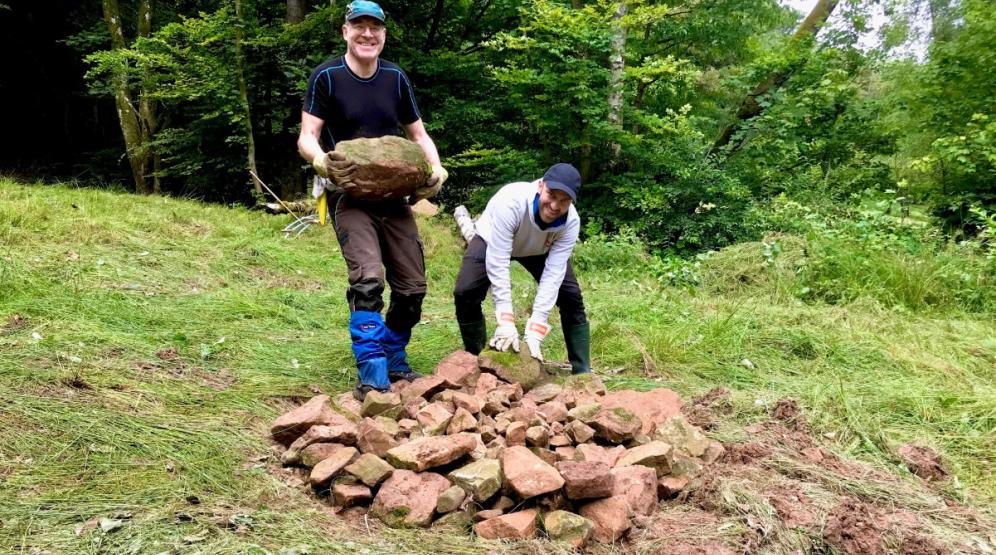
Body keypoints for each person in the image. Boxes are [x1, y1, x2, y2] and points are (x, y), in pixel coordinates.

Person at [297, 1, 448, 400]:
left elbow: (418, 135)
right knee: (367, 281)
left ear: (383, 34)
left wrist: (436, 170)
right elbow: (307, 134)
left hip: (396, 198)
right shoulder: (327, 77)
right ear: (345, 31)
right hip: (349, 195)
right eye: (359, 26)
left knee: (413, 288)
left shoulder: (395, 78)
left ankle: (395, 357)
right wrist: (321, 162)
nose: (368, 34)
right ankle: (372, 373)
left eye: (375, 28)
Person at [453, 163, 591, 375]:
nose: (555, 206)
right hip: (492, 240)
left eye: (564, 201)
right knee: (466, 291)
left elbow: (554, 274)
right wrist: (505, 320)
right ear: (541, 186)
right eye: (551, 195)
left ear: (571, 202)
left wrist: (536, 328)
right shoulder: (511, 202)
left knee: (571, 296)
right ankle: (476, 356)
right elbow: (498, 262)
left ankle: (582, 371)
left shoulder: (571, 222)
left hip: (539, 249)